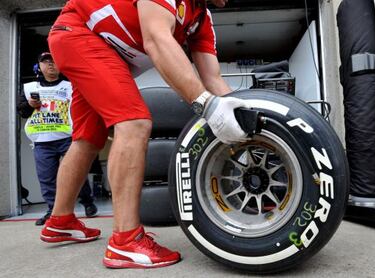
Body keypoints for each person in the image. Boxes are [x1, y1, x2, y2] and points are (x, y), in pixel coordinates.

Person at [41, 0, 248, 269]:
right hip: (79, 34)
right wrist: (207, 105)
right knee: (134, 122)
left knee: (88, 139)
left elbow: (213, 78)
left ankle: (60, 221)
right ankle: (125, 242)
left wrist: (247, 115)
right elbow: (156, 40)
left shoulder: (202, 19)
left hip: (99, 49)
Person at [17, 52, 98, 226]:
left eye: (54, 61)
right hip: (41, 141)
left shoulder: (70, 86)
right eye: (46, 62)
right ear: (39, 66)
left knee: (76, 172)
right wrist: (30, 105)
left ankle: (88, 203)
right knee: (46, 178)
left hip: (67, 138)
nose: (51, 64)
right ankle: (53, 211)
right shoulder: (29, 87)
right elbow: (22, 112)